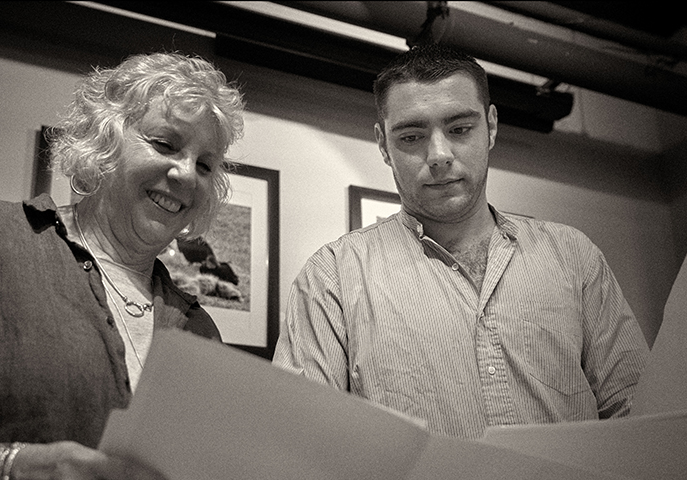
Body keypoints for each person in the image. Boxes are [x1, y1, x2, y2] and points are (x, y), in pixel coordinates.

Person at [0, 51, 244, 479]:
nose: (186, 174)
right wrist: (5, 467)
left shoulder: (200, 329)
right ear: (102, 141)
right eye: (165, 144)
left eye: (205, 164)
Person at [272, 43, 650, 439]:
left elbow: (639, 421)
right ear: (383, 144)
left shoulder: (574, 257)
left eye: (459, 129)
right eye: (412, 136)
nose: (438, 154)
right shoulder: (330, 278)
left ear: (491, 126)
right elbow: (302, 442)